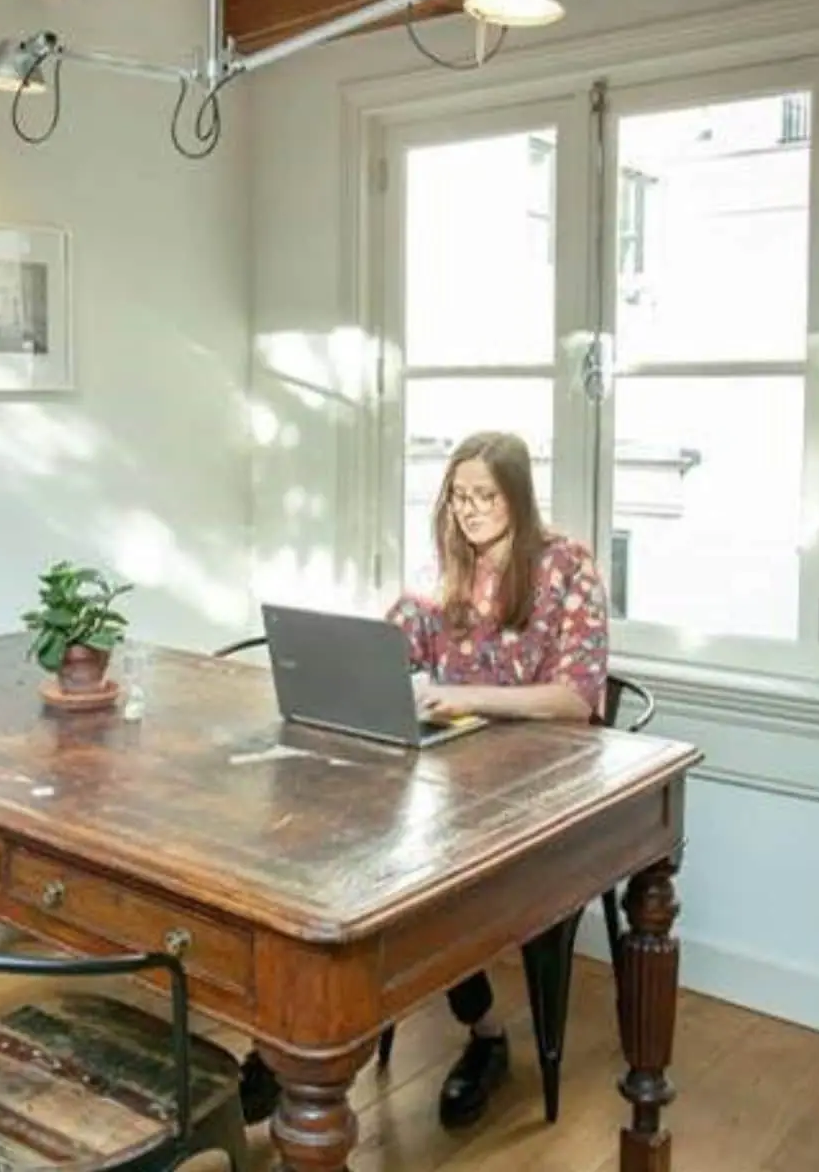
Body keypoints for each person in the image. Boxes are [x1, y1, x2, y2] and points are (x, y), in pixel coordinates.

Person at [236, 429, 609, 1130]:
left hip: (543, 780)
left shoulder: (567, 567)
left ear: (518, 498)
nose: (468, 511)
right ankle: (288, 1043)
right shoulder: (453, 568)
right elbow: (389, 642)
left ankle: (486, 1034)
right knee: (336, 843)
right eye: (458, 496)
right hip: (460, 768)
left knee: (425, 881)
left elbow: (577, 698)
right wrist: (348, 669)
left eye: (483, 497)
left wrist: (464, 695)